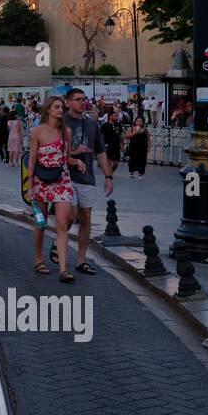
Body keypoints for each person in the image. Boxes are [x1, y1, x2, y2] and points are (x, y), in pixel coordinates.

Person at [27, 95, 84, 281]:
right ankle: (38, 259)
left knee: (63, 222)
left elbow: (66, 157)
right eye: (57, 107)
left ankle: (63, 269)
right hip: (41, 181)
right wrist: (30, 185)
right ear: (48, 109)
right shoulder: (37, 131)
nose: (61, 110)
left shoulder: (66, 132)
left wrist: (76, 161)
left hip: (62, 180)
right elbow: (32, 159)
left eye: (62, 107)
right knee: (41, 223)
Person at [60, 86, 114, 275]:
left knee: (86, 218)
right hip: (64, 176)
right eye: (78, 99)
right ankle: (59, 239)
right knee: (70, 215)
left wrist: (108, 177)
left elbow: (100, 152)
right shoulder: (60, 122)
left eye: (84, 99)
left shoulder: (92, 124)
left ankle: (81, 260)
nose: (83, 102)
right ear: (68, 102)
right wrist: (74, 152)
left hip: (86, 177)